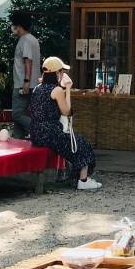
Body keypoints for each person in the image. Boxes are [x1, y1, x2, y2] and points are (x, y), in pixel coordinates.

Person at [29, 57, 101, 190]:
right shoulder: (57, 90)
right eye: (61, 71)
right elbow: (67, 111)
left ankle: (78, 177)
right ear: (56, 73)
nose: (63, 74)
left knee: (76, 142)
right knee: (81, 143)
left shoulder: (37, 89)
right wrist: (67, 88)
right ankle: (83, 180)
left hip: (36, 133)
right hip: (50, 133)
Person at [10, 10, 41, 139]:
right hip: (32, 84)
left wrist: (26, 82)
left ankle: (38, 129)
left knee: (17, 114)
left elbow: (27, 61)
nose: (12, 28)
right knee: (22, 114)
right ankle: (18, 140)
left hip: (23, 84)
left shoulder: (25, 40)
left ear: (19, 25)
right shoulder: (33, 39)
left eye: (13, 25)